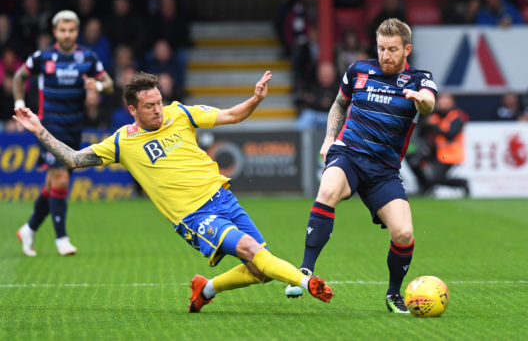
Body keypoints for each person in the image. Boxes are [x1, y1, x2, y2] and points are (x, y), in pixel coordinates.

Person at [12, 70, 334, 312]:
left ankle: (205, 290)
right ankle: (307, 281)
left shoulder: (181, 113)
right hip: (194, 216)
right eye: (149, 106)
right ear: (133, 110)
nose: (158, 110)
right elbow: (72, 159)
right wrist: (39, 130)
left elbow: (232, 115)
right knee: (252, 250)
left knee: (259, 271)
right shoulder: (122, 142)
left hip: (224, 198)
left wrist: (257, 99)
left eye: (159, 102)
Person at [284, 18, 437, 313]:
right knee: (328, 191)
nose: (385, 55)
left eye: (392, 49)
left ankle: (393, 294)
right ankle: (303, 272)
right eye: (381, 48)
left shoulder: (420, 79)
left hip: (383, 171)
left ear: (407, 49)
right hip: (349, 155)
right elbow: (340, 104)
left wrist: (421, 101)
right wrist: (330, 138)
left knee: (404, 234)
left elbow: (429, 102)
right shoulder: (359, 71)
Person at [13, 10, 114, 257]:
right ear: (55, 32)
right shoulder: (43, 57)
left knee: (52, 185)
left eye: (71, 30)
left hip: (73, 128)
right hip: (48, 127)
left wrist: (98, 86)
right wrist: (18, 103)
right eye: (62, 30)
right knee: (60, 179)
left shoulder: (87, 57)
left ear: (76, 32)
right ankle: (62, 240)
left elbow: (110, 85)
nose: (67, 34)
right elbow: (19, 76)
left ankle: (29, 229)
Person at [406, 93, 469, 196]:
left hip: (449, 153)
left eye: (446, 101)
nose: (443, 104)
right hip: (434, 151)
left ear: (452, 103)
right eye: (441, 101)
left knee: (436, 178)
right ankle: (424, 186)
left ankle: (461, 183)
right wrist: (426, 124)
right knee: (413, 160)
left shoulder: (457, 116)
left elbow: (450, 135)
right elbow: (422, 132)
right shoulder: (433, 115)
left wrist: (435, 126)